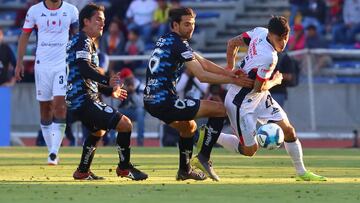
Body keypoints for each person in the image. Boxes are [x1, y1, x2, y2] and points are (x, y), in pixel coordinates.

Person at [143, 7, 254, 181]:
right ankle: (203, 157)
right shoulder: (178, 43)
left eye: (193, 24)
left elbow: (202, 62)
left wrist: (229, 73)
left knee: (189, 128)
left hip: (151, 100)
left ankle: (184, 170)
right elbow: (202, 76)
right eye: (186, 24)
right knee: (220, 110)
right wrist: (233, 80)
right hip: (164, 101)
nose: (191, 28)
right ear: (174, 25)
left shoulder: (166, 40)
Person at [216, 16, 327, 181]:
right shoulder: (269, 57)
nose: (283, 43)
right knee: (249, 150)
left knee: (288, 130)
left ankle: (302, 172)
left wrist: (230, 68)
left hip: (259, 98)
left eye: (285, 39)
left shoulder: (258, 32)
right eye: (279, 39)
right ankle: (211, 135)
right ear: (270, 34)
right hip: (240, 102)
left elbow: (232, 43)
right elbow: (258, 86)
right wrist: (276, 80)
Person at [66, 3, 148, 180]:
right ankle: (124, 168)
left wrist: (110, 90)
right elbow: (84, 68)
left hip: (80, 98)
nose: (102, 24)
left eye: (103, 20)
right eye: (98, 20)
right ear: (86, 21)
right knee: (125, 125)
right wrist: (106, 80)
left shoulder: (84, 41)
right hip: (84, 99)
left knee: (98, 132)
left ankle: (82, 171)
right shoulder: (83, 40)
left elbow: (85, 75)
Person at [15, 0, 79, 165]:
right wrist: (19, 62)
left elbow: (80, 36)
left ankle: (53, 152)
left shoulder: (71, 10)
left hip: (62, 64)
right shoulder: (34, 11)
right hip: (42, 65)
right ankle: (51, 150)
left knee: (60, 105)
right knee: (45, 108)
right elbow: (24, 35)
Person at [117, 68, 146, 146]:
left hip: (136, 111)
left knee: (140, 111)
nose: (126, 81)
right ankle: (112, 140)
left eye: (127, 79)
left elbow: (141, 104)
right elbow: (117, 105)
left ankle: (140, 141)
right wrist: (122, 92)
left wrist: (132, 93)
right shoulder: (121, 87)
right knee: (114, 112)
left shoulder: (140, 87)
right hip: (125, 111)